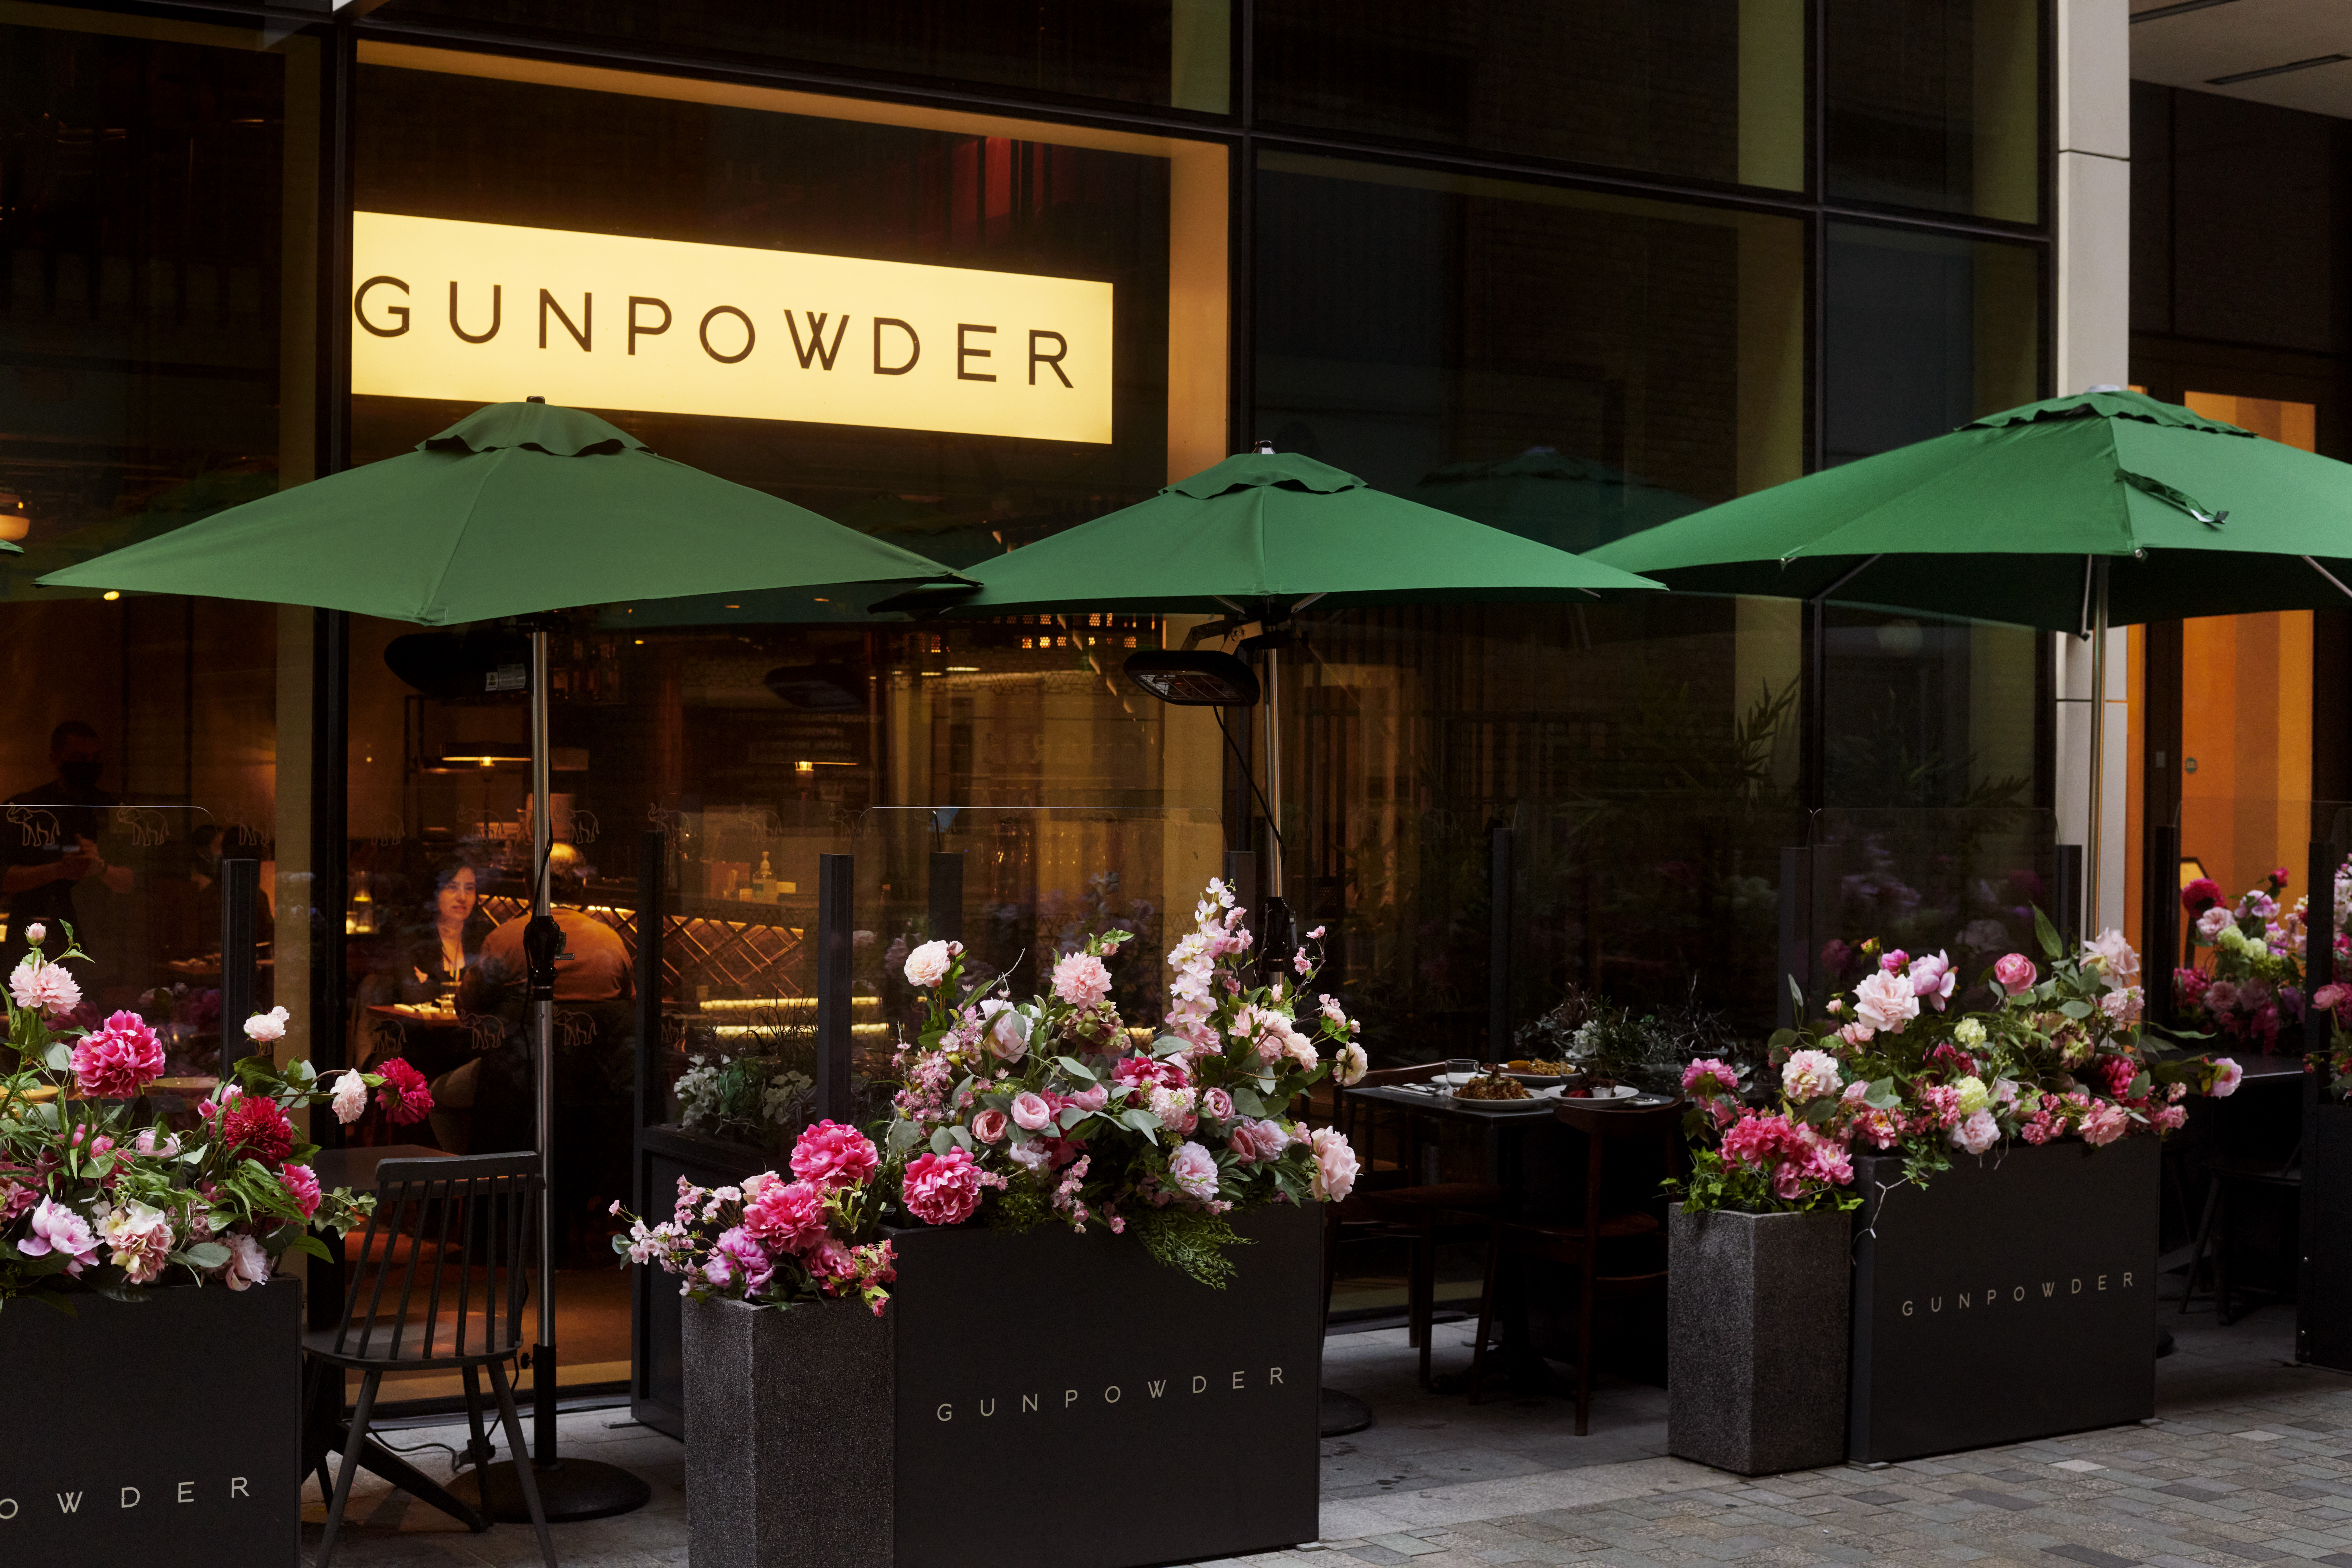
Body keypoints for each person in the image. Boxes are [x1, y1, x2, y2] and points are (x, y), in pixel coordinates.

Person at [3, 720, 133, 967]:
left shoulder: (116, 811)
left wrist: (100, 868)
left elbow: (130, 882)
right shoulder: (23, 808)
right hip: (31, 941)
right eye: (79, 758)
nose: (89, 765)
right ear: (56, 759)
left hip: (95, 941)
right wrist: (58, 870)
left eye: (96, 758)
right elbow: (4, 878)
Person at [405, 857, 489, 1002]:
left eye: (469, 889)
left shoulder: (485, 938)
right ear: (436, 893)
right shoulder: (414, 938)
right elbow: (413, 995)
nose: (462, 897)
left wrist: (432, 985)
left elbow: (492, 997)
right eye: (452, 888)